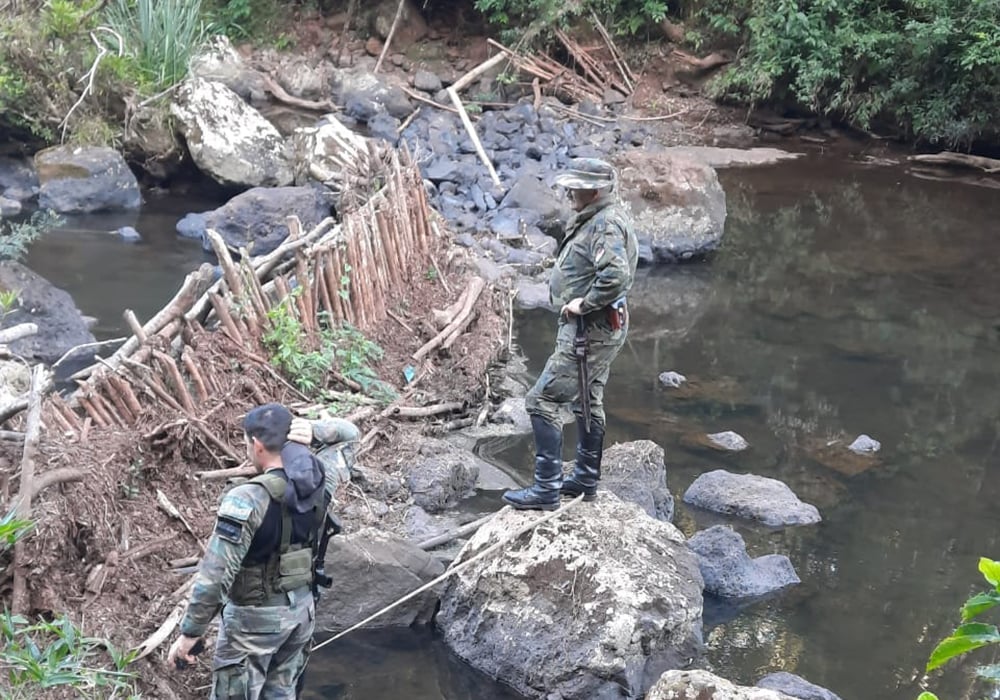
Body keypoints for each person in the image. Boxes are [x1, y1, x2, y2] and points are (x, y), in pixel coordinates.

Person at [167, 404, 358, 698]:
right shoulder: (321, 481)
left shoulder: (247, 498)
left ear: (256, 446)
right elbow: (350, 435)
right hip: (301, 617)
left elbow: (216, 575)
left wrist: (191, 633)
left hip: (252, 624)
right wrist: (314, 429)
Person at [502, 158, 638, 511]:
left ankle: (546, 490)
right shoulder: (600, 217)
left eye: (574, 188)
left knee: (541, 401)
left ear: (593, 192)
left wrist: (585, 303)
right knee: (586, 399)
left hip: (590, 330)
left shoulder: (605, 224)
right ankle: (585, 479)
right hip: (598, 328)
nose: (567, 193)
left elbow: (616, 276)